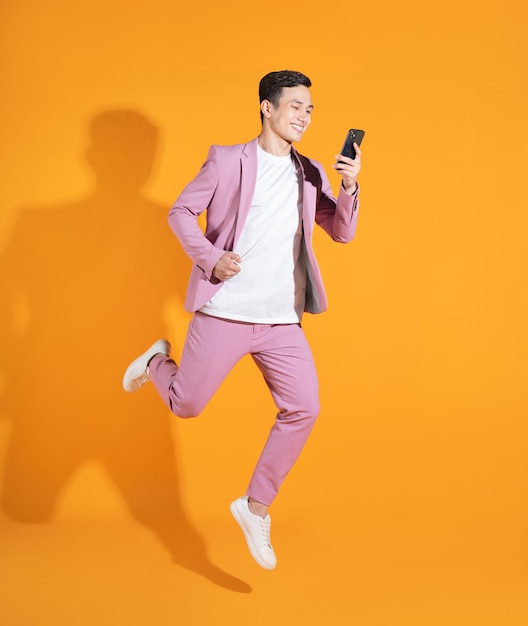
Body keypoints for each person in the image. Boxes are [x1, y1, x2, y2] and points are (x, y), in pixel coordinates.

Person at [122, 70, 362, 570]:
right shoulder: (227, 160)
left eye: (310, 109)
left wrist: (349, 185)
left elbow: (341, 232)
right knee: (186, 405)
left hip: (281, 321)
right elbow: (180, 213)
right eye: (295, 106)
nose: (305, 116)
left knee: (304, 408)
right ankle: (158, 361)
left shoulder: (310, 171)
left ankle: (255, 507)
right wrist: (211, 258)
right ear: (267, 108)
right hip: (226, 311)